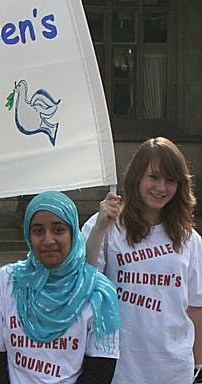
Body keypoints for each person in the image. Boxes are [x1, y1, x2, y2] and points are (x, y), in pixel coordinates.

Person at [82, 137, 202, 384]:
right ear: (137, 176)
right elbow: (83, 281)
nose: (161, 187)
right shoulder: (106, 226)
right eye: (154, 177)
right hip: (118, 367)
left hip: (173, 369)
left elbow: (196, 308)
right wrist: (99, 230)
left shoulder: (190, 239)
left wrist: (198, 365)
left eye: (171, 180)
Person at [0, 191, 120, 384]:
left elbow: (100, 370)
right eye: (38, 231)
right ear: (28, 234)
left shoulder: (99, 292)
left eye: (58, 230)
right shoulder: (5, 281)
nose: (48, 240)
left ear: (72, 232)